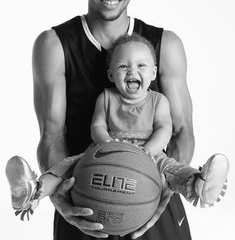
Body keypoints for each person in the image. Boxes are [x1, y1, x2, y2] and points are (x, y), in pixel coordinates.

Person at [6, 0, 227, 240]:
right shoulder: (53, 44)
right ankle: (34, 189)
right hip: (84, 203)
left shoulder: (166, 45)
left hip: (150, 195)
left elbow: (181, 130)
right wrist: (62, 202)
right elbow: (51, 134)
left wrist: (160, 190)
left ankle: (197, 185)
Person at [5, 34, 229, 223]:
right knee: (68, 165)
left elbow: (164, 129)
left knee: (172, 169)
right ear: (112, 75)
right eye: (123, 66)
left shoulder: (158, 101)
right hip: (105, 152)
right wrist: (106, 144)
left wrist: (148, 151)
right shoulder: (106, 97)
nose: (132, 70)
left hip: (149, 155)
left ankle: (199, 184)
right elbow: (97, 125)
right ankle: (33, 190)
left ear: (153, 73)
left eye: (141, 65)